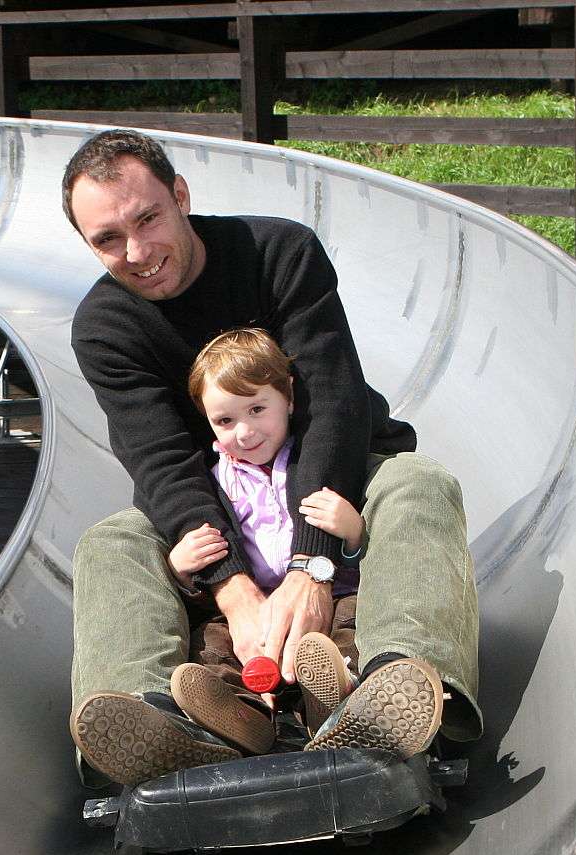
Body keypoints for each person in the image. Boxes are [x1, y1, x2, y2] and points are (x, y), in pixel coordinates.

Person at [62, 128, 483, 791]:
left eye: (148, 219)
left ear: (180, 197)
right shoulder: (105, 327)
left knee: (417, 484)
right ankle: (164, 726)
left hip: (330, 475)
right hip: (221, 497)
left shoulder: (278, 253)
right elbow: (164, 461)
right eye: (108, 239)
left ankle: (405, 685)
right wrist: (233, 590)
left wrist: (310, 567)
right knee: (111, 542)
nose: (137, 253)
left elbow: (333, 403)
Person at [162, 328, 365, 758]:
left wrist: (353, 532)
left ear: (288, 397)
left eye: (257, 409)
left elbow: (360, 562)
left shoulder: (313, 460)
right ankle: (241, 716)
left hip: (329, 599)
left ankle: (333, 699)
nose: (245, 431)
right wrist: (180, 570)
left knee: (351, 622)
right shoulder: (215, 485)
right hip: (252, 618)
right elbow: (205, 585)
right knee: (211, 643)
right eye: (225, 420)